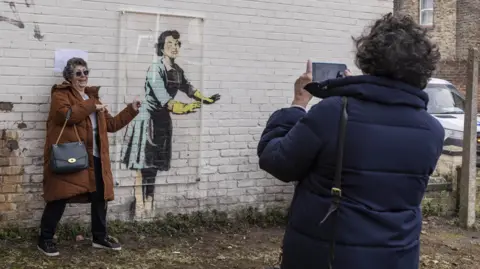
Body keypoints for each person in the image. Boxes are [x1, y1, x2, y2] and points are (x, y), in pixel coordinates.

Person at [257, 13, 444, 269]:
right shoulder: (432, 130)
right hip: (397, 257)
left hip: (329, 257)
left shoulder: (334, 112)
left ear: (370, 58)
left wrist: (298, 105)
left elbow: (276, 161)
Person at [38, 57, 141, 257]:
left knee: (100, 197)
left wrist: (131, 110)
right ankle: (45, 239)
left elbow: (110, 126)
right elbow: (66, 116)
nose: (83, 77)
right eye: (78, 73)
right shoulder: (61, 94)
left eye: (86, 72)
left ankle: (99, 237)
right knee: (60, 196)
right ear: (69, 76)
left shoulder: (93, 98)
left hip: (96, 157)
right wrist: (93, 105)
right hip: (72, 156)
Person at [121, 29, 220, 206]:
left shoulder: (177, 70)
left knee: (155, 166)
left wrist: (207, 99)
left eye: (176, 43)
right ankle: (139, 204)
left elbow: (189, 89)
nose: (174, 47)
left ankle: (148, 204)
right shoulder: (155, 69)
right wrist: (187, 108)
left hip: (162, 121)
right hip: (148, 121)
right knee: (144, 166)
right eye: (169, 44)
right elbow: (165, 100)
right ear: (161, 48)